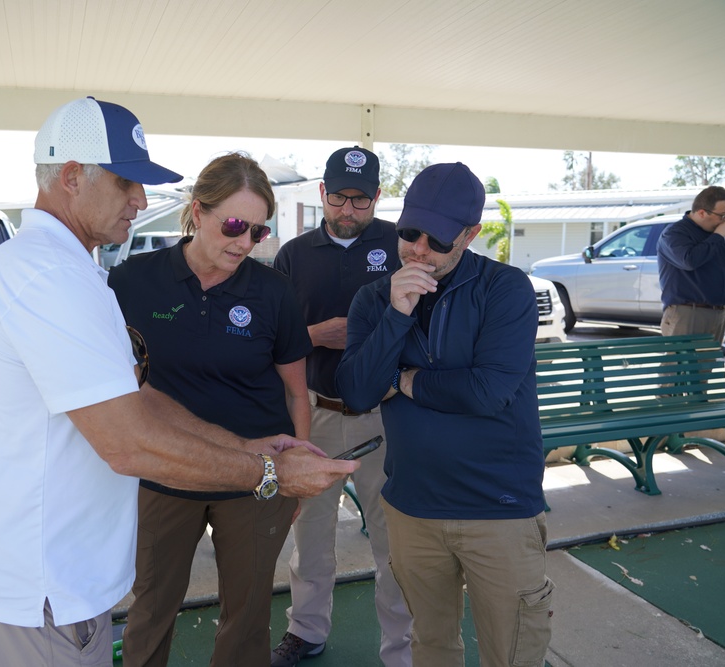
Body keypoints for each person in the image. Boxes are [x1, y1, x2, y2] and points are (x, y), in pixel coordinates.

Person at [0, 97, 357, 667]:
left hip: (62, 583)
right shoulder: (52, 275)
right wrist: (270, 472)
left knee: (242, 614)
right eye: (127, 183)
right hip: (46, 588)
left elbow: (137, 397)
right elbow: (126, 441)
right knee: (153, 612)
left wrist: (245, 447)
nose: (141, 201)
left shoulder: (74, 271)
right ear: (72, 177)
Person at [336, 162, 554, 667]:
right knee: (431, 646)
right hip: (413, 506)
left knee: (514, 651)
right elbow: (356, 392)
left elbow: (486, 391)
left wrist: (402, 379)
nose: (418, 248)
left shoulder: (505, 289)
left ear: (470, 234)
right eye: (409, 232)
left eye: (436, 238)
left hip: (498, 507)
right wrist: (397, 314)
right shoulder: (375, 299)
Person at [108, 152, 311, 667]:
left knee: (247, 614)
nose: (244, 243)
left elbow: (295, 391)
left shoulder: (274, 292)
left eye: (258, 232)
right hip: (165, 471)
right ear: (198, 212)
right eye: (235, 225)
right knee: (152, 605)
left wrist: (297, 469)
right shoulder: (133, 281)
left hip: (255, 477)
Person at [270, 146, 412, 667]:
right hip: (317, 411)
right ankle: (306, 630)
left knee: (395, 539)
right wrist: (316, 335)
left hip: (385, 411)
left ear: (376, 197)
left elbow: (421, 324)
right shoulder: (294, 253)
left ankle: (402, 648)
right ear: (322, 194)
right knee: (310, 533)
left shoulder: (401, 244)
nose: (347, 210)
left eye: (359, 200)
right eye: (338, 198)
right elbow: (276, 336)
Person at [657, 186, 725, 343]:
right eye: (722, 215)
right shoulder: (675, 233)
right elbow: (689, 261)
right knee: (679, 366)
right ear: (702, 212)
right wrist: (718, 236)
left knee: (706, 366)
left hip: (718, 313)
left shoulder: (720, 234)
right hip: (688, 312)